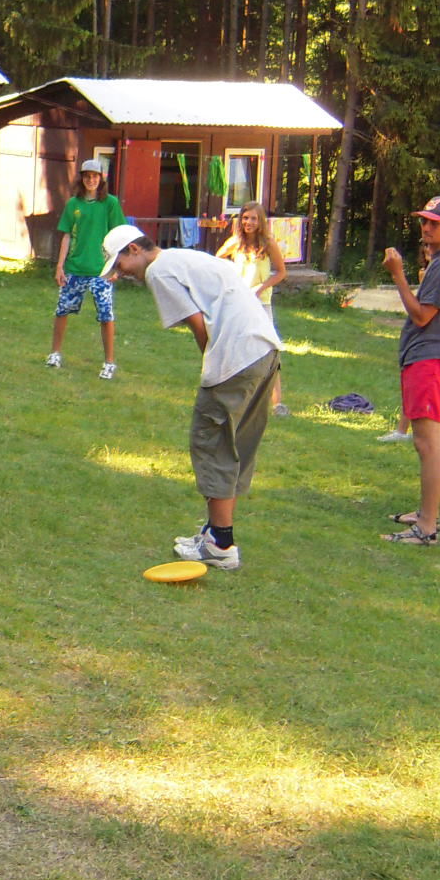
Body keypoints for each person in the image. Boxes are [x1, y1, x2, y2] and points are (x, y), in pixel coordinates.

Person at [101, 224, 280, 570]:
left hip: (235, 358)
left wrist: (210, 367)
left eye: (119, 264)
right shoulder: (183, 257)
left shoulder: (159, 271)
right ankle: (214, 533)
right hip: (265, 351)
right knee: (235, 446)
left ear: (134, 250)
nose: (120, 273)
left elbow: (199, 325)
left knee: (212, 445)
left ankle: (221, 545)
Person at [380, 195, 440, 546]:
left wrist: (398, 275)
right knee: (426, 441)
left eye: (435, 222)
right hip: (430, 356)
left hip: (432, 358)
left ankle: (427, 526)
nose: (427, 227)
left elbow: (421, 316)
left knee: (428, 443)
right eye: (424, 220)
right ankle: (425, 513)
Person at [46, 157, 126, 377]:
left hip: (102, 271)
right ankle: (55, 353)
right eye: (87, 176)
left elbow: (119, 235)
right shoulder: (74, 204)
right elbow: (66, 236)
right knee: (62, 310)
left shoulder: (110, 203)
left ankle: (109, 362)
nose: (91, 180)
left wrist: (117, 268)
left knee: (106, 314)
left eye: (95, 176)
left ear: (101, 179)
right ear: (81, 179)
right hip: (75, 268)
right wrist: (60, 266)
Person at [216, 200, 289, 416]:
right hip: (238, 303)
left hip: (261, 303)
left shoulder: (268, 243)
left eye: (254, 219)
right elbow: (217, 262)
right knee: (236, 349)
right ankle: (236, 399)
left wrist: (262, 287)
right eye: (246, 218)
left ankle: (277, 404)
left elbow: (281, 272)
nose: (249, 222)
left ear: (261, 221)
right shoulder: (235, 242)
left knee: (269, 350)